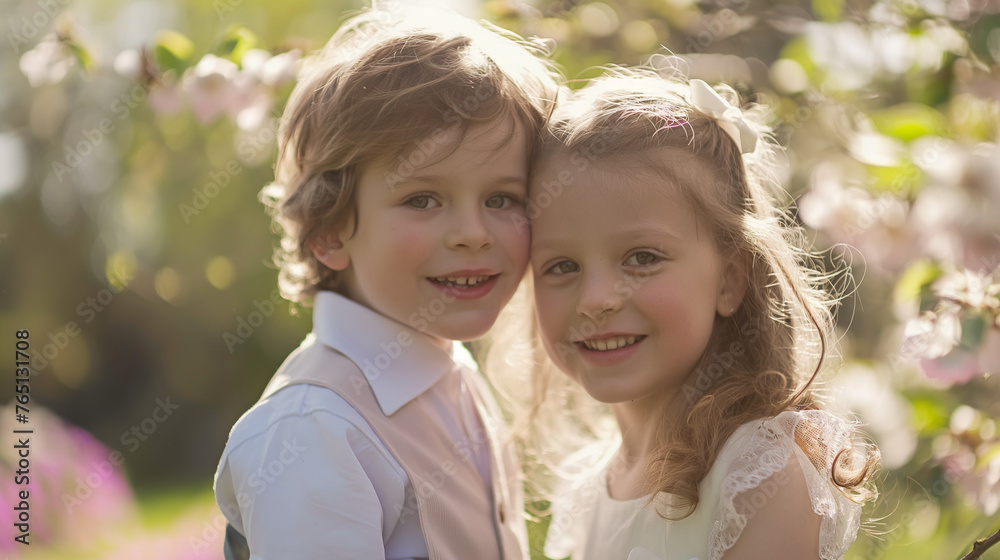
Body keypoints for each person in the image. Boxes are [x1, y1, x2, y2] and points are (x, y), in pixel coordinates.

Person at [487, 67, 879, 560]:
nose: (596, 299)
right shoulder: (588, 487)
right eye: (561, 265)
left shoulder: (759, 473)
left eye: (643, 258)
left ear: (730, 280)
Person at [212, 4, 559, 559]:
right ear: (329, 230)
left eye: (502, 199)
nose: (473, 233)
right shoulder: (314, 431)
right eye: (422, 199)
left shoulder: (451, 373)